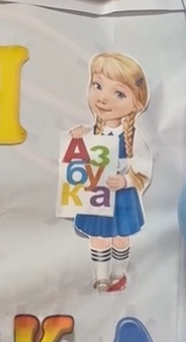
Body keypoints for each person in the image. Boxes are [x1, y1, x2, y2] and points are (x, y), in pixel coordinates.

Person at [69, 51, 153, 294]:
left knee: (120, 237)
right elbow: (76, 163)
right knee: (98, 237)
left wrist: (126, 180)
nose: (103, 98)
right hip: (96, 195)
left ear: (136, 103)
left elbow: (144, 167)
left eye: (119, 94)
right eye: (97, 86)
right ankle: (100, 278)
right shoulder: (89, 132)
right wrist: (78, 137)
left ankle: (118, 273)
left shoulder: (134, 138)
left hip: (122, 197)